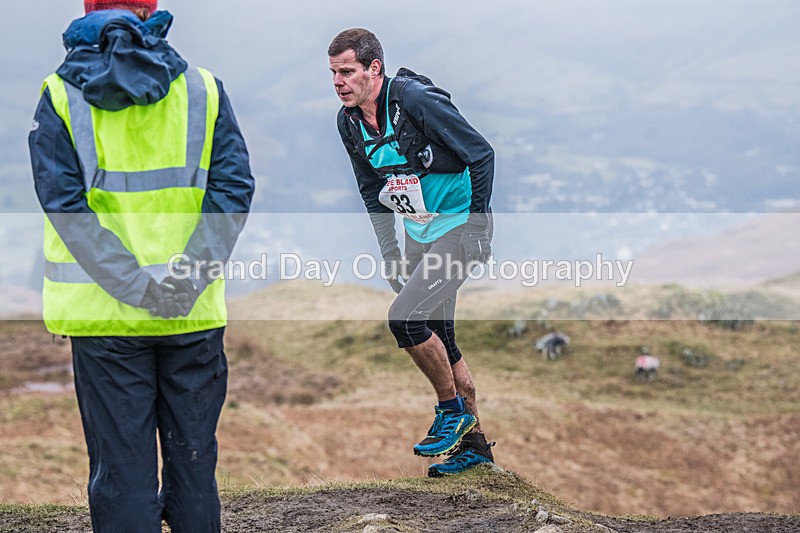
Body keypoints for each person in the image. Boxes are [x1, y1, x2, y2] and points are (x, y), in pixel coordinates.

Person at [28, 1, 254, 531]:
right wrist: (185, 282)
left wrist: (133, 286)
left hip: (104, 319)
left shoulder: (60, 95)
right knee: (195, 466)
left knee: (122, 473)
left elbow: (64, 204)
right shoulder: (203, 89)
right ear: (150, 11)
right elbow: (233, 190)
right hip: (190, 314)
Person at [329, 28, 496, 476]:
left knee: (404, 319)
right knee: (445, 339)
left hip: (460, 227)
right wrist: (390, 252)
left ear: (374, 69)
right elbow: (371, 191)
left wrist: (478, 226)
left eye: (348, 71)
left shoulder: (415, 102)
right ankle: (476, 450)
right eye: (333, 73)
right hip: (417, 233)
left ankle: (451, 411)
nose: (339, 82)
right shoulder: (348, 122)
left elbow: (481, 155)